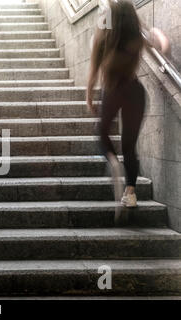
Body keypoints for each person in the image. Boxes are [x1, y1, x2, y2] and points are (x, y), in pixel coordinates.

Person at [86, 0, 170, 224]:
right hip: (135, 91)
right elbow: (161, 43)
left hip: (112, 89)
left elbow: (94, 69)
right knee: (130, 146)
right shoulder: (135, 35)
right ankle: (131, 191)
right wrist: (159, 37)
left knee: (102, 132)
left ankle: (112, 161)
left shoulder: (103, 37)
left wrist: (89, 97)